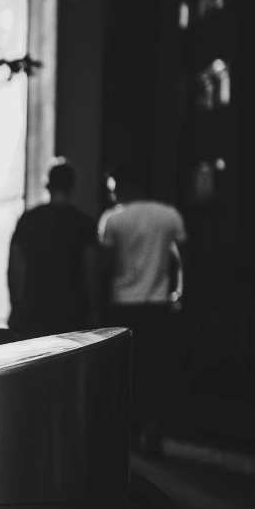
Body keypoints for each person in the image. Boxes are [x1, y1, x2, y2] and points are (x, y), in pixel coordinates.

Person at [96, 176, 188, 455]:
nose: (112, 195)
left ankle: (130, 432)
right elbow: (184, 258)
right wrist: (181, 291)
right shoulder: (169, 215)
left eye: (113, 189)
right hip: (158, 304)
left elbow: (105, 265)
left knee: (127, 371)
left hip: (122, 304)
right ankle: (154, 428)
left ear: (126, 186)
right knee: (156, 369)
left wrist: (97, 303)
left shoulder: (113, 219)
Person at [7, 160, 92, 336]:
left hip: (33, 309)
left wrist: (15, 306)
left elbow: (14, 267)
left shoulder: (29, 219)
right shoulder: (83, 223)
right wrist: (92, 309)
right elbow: (89, 269)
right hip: (71, 310)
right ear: (73, 186)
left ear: (48, 186)